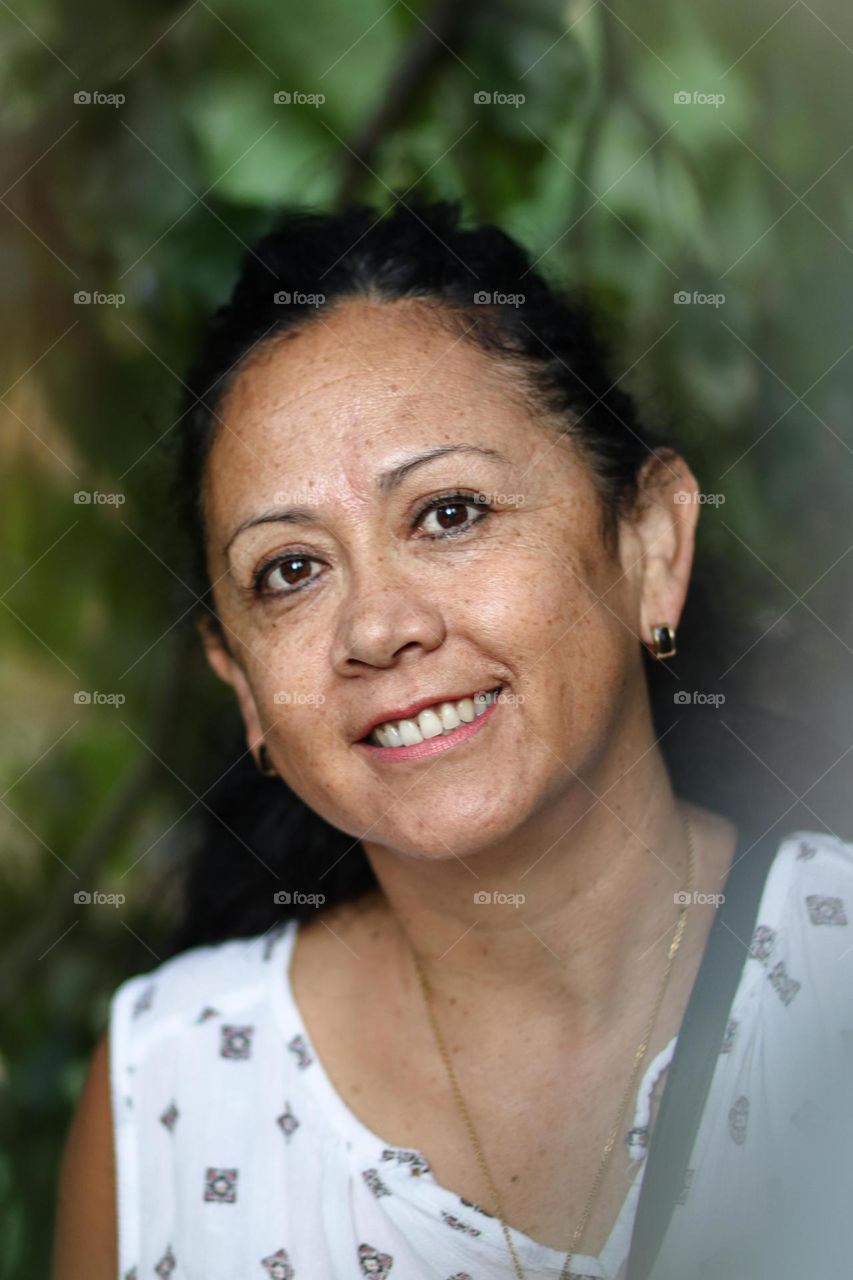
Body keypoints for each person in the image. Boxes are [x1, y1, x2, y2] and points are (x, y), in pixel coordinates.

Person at [52, 197, 853, 1280]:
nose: (379, 626)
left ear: (650, 542)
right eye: (290, 570)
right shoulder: (171, 1093)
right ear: (242, 686)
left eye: (448, 512)